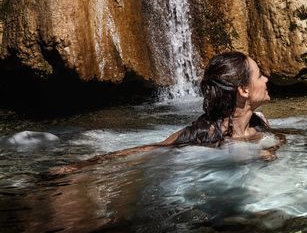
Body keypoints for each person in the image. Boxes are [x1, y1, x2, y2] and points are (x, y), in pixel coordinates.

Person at [50, 51, 279, 175]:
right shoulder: (203, 133)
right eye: (259, 75)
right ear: (244, 90)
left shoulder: (260, 122)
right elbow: (150, 149)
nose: (266, 79)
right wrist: (82, 166)